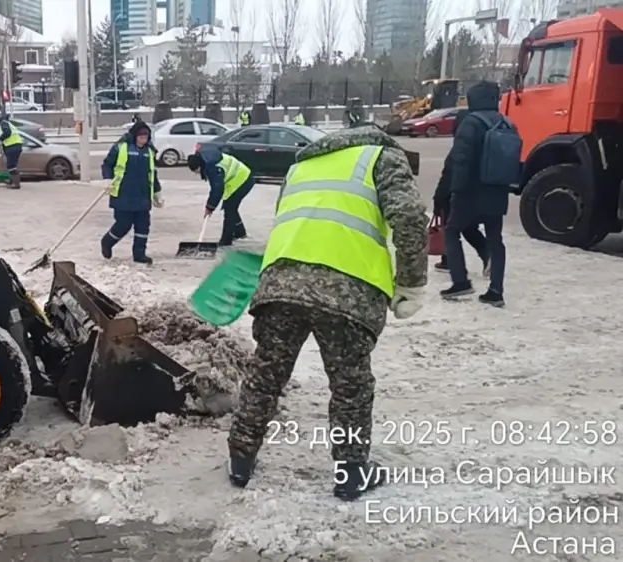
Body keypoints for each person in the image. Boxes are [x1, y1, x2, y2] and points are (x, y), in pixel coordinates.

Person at [226, 124, 428, 501]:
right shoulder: (380, 156)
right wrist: (411, 283)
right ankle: (351, 474)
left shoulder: (301, 167)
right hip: (346, 290)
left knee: (266, 373)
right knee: (350, 385)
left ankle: (240, 459)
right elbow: (410, 216)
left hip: (281, 283)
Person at [438, 81, 509, 307]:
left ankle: (460, 281)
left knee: (452, 230)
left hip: (470, 191)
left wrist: (454, 191)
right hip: (497, 190)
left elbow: (461, 160)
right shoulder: (506, 123)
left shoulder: (471, 123)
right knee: (496, 240)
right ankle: (496, 291)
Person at [99, 120, 163, 265]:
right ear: (134, 136)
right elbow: (107, 164)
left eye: (146, 137)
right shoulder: (121, 148)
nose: (143, 139)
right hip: (124, 194)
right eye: (141, 137)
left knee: (143, 226)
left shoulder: (149, 151)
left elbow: (152, 174)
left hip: (143, 195)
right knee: (123, 225)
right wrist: (107, 179)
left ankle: (139, 254)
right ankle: (107, 242)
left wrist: (157, 192)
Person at [186, 149, 254, 245]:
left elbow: (217, 189)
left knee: (229, 209)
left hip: (243, 180)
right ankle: (240, 233)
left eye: (196, 171)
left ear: (199, 166)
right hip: (238, 179)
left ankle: (226, 241)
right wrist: (210, 206)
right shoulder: (205, 159)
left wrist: (210, 207)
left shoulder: (212, 167)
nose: (197, 173)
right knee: (231, 207)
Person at [0, 114, 24, 189]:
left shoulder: (3, 124)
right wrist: (2, 152)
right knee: (12, 165)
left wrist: (1, 139)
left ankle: (16, 184)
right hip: (15, 146)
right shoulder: (6, 123)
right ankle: (12, 181)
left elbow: (7, 133)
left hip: (13, 146)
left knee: (11, 166)